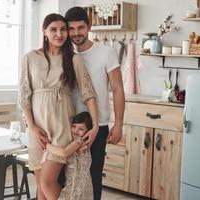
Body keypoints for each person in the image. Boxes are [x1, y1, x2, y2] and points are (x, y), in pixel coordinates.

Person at [18, 13, 98, 200]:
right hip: (37, 127)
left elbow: (89, 94)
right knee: (40, 186)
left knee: (47, 181)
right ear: (44, 31)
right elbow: (24, 95)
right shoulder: (30, 57)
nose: (59, 34)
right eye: (53, 29)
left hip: (62, 125)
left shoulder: (74, 59)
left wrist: (94, 127)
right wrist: (32, 127)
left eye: (63, 29)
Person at [65, 7, 125, 200]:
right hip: (67, 125)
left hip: (97, 126)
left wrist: (118, 124)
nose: (76, 33)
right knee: (67, 177)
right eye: (71, 28)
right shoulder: (63, 54)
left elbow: (117, 89)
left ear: (89, 26)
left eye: (80, 27)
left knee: (93, 176)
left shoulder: (106, 52)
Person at [46, 111, 94, 200]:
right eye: (74, 126)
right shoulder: (76, 142)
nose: (76, 131)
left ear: (88, 131)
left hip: (77, 185)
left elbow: (64, 153)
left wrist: (47, 145)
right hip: (75, 182)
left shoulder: (79, 141)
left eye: (81, 129)